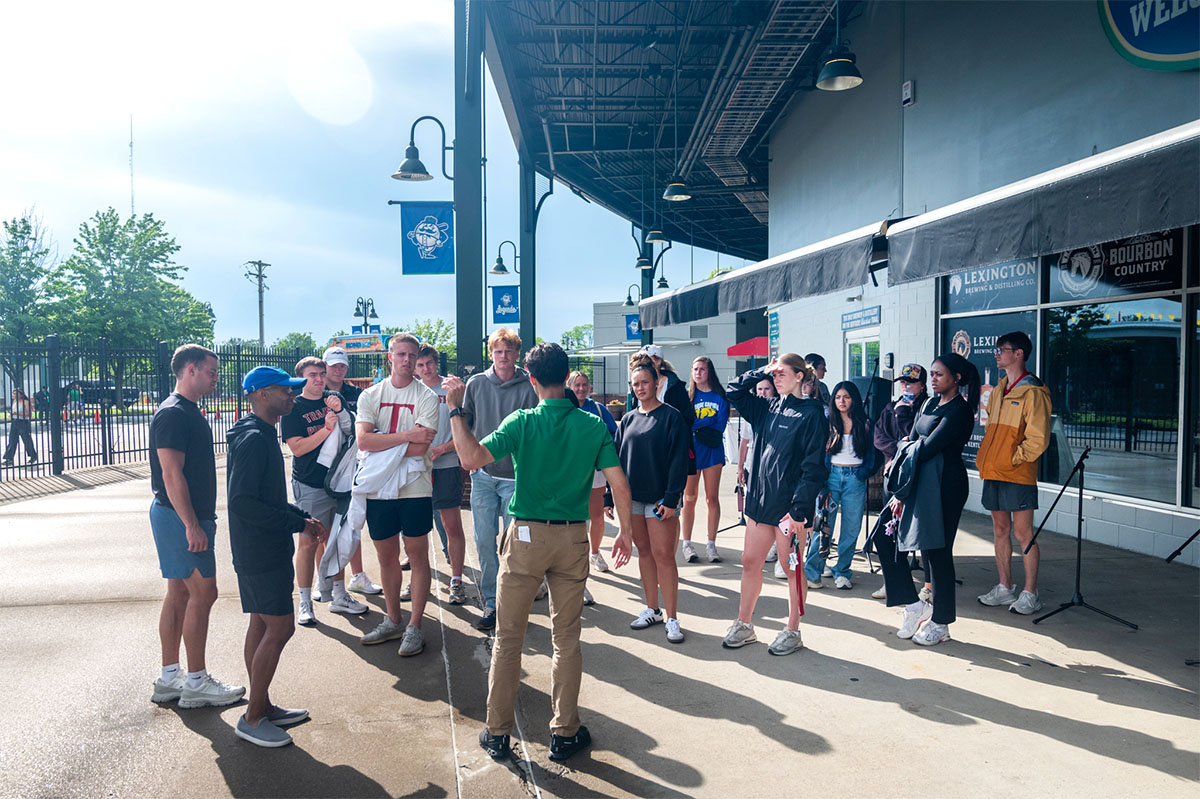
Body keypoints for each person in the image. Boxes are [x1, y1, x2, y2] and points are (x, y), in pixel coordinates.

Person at [444, 343, 633, 763]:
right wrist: (626, 534)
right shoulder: (592, 425)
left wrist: (457, 410)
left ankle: (497, 732)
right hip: (571, 538)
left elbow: (472, 457)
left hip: (527, 535)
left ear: (531, 379)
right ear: (567, 378)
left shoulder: (523, 421)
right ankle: (565, 731)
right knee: (566, 639)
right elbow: (619, 484)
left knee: (508, 638)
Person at [227, 366, 327, 747]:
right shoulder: (255, 438)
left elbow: (262, 497)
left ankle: (261, 704)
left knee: (261, 624)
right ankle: (252, 719)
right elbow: (243, 503)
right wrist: (295, 524)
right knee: (281, 627)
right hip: (260, 550)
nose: (293, 395)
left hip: (259, 547)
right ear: (262, 394)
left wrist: (299, 517)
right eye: (286, 390)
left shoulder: (259, 433)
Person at [148, 345, 245, 710]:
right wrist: (192, 524)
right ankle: (196, 681)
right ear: (191, 370)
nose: (215, 377)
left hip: (178, 515)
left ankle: (170, 677)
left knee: (180, 593)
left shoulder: (185, 411)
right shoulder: (174, 414)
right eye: (211, 371)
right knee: (204, 593)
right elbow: (171, 474)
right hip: (179, 516)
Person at [722, 354, 827, 655]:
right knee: (750, 562)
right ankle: (744, 624)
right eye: (775, 374)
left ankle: (793, 629)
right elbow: (733, 391)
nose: (776, 378)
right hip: (759, 503)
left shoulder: (812, 413)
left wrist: (799, 511)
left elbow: (813, 467)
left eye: (783, 373)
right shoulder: (767, 407)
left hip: (789, 510)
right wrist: (761, 372)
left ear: (799, 377)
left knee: (789, 567)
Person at [874, 353, 978, 647]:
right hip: (918, 481)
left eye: (938, 375)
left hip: (946, 485)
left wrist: (909, 447)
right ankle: (914, 604)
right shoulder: (930, 403)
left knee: (938, 554)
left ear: (956, 378)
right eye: (931, 374)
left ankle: (941, 622)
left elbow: (926, 448)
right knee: (888, 539)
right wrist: (902, 490)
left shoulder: (959, 411)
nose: (932, 379)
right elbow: (908, 441)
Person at [355, 333, 440, 656]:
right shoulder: (372, 395)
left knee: (417, 556)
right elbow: (364, 442)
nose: (406, 360)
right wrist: (405, 435)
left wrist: (383, 441)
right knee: (386, 556)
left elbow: (422, 447)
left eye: (412, 355)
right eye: (401, 354)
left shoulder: (427, 397)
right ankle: (393, 619)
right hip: (379, 487)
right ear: (390, 356)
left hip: (415, 486)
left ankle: (415, 625)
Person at [461, 329, 539, 631]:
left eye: (508, 351)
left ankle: (514, 602)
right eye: (498, 351)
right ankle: (492, 601)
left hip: (516, 478)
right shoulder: (476, 384)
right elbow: (464, 423)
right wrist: (466, 458)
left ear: (517, 354)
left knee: (516, 545)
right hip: (483, 476)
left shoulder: (529, 385)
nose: (503, 356)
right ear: (490, 354)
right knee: (483, 540)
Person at [280, 357, 367, 626]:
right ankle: (305, 602)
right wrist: (325, 429)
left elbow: (353, 432)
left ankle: (339, 595)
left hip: (339, 482)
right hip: (310, 483)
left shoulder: (333, 399)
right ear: (302, 378)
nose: (318, 379)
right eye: (312, 375)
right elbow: (297, 448)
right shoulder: (292, 406)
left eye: (321, 373)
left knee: (337, 540)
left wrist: (340, 413)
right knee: (308, 542)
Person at [975, 331, 1052, 615]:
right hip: (994, 471)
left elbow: (1038, 439)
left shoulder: (1033, 391)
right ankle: (1005, 588)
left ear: (1018, 354)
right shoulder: (998, 390)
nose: (997, 353)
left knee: (1023, 534)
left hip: (1017, 473)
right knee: (1000, 530)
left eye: (1002, 349)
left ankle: (1031, 593)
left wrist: (1013, 459)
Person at [616, 354, 690, 643]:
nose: (640, 388)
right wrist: (611, 496)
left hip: (661, 501)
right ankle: (652, 608)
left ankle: (672, 618)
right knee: (644, 553)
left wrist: (672, 499)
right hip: (634, 500)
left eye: (645, 382)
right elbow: (618, 461)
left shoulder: (672, 417)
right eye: (635, 384)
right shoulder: (628, 420)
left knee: (664, 557)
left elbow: (678, 461)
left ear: (657, 383)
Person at [804, 381, 878, 590]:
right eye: (838, 397)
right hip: (831, 477)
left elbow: (875, 453)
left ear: (854, 399)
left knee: (851, 528)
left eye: (846, 397)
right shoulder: (827, 422)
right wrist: (822, 484)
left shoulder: (865, 424)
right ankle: (813, 572)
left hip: (855, 478)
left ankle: (842, 571)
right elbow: (817, 454)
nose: (842, 401)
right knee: (823, 526)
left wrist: (865, 472)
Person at [322, 346, 381, 596]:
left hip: (352, 465)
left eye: (342, 365)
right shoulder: (314, 391)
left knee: (351, 522)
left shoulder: (358, 393)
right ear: (325, 365)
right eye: (334, 364)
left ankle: (356, 575)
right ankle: (324, 581)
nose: (338, 369)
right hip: (320, 467)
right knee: (322, 529)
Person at [416, 344, 470, 608]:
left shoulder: (452, 388)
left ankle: (457, 580)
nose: (426, 369)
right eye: (420, 364)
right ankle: (417, 580)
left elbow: (466, 426)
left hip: (446, 465)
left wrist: (443, 448)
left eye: (429, 363)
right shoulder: (410, 390)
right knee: (415, 529)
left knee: (451, 526)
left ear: (436, 363)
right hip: (417, 468)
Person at [871, 363, 931, 600]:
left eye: (911, 382)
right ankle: (893, 581)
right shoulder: (890, 407)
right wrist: (899, 450)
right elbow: (878, 437)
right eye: (903, 382)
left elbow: (918, 440)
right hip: (893, 473)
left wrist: (904, 415)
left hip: (918, 477)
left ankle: (929, 586)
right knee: (890, 528)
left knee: (921, 529)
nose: (906, 386)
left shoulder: (927, 408)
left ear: (922, 385)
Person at [568, 370, 617, 581]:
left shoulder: (598, 408)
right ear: (569, 386)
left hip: (596, 471)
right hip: (570, 472)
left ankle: (594, 553)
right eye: (576, 384)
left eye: (584, 384)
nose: (580, 388)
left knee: (596, 515)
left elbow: (614, 434)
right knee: (573, 517)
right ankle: (572, 558)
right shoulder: (565, 408)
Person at [735, 378, 786, 578]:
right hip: (753, 468)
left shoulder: (779, 412)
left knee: (775, 511)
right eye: (759, 389)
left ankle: (778, 553)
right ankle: (762, 547)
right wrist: (740, 467)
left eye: (766, 389)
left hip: (774, 471)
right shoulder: (752, 411)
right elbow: (745, 442)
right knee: (755, 511)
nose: (763, 392)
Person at [680, 356, 729, 564]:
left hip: (713, 451)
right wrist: (703, 422)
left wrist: (699, 423)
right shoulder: (687, 396)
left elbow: (719, 425)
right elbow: (685, 422)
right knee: (689, 497)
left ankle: (711, 543)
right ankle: (687, 543)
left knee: (712, 498)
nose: (698, 373)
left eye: (702, 369)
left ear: (709, 372)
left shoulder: (720, 397)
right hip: (692, 452)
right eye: (695, 369)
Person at [3, 388, 38, 466]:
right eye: (13, 394)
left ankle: (33, 456)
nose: (14, 395)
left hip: (23, 422)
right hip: (15, 422)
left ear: (21, 394)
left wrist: (17, 414)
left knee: (26, 440)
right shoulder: (14, 402)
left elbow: (29, 415)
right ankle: (9, 458)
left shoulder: (25, 402)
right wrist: (12, 414)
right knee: (12, 440)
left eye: (16, 394)